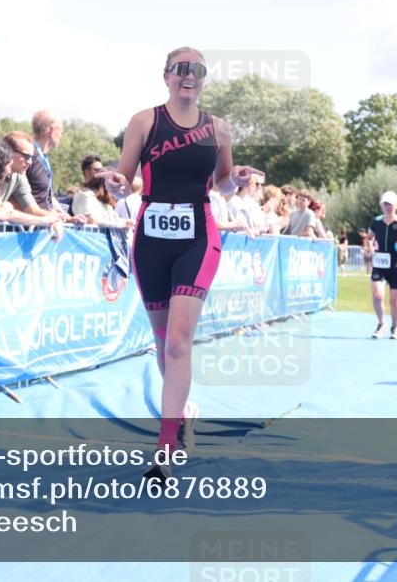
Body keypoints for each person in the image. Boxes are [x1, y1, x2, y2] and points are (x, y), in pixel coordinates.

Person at [98, 46, 262, 478]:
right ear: (166, 76)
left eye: (197, 70)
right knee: (161, 343)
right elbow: (125, 183)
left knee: (177, 342)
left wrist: (237, 180)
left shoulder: (219, 128)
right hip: (151, 239)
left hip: (197, 237)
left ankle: (166, 446)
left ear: (203, 78)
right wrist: (117, 188)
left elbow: (223, 185)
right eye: (181, 69)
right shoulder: (144, 121)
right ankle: (183, 410)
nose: (189, 76)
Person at [367, 191, 397, 340]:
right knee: (377, 296)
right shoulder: (376, 221)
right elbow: (369, 237)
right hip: (379, 263)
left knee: (394, 300)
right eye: (385, 204)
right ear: (382, 205)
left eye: (390, 204)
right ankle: (381, 323)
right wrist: (369, 246)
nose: (388, 207)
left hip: (395, 264)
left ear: (396, 205)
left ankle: (395, 326)